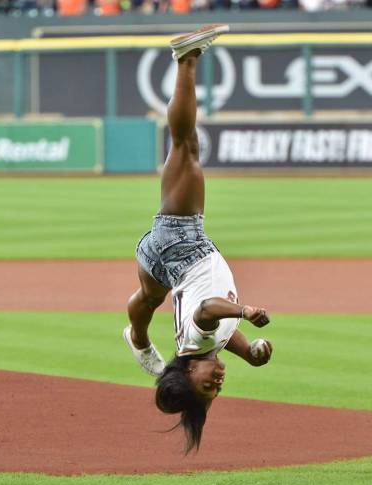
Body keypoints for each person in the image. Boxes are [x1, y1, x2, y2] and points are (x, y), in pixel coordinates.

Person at [123, 24, 273, 453]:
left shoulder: (199, 338)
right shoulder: (204, 347)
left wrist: (246, 310)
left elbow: (210, 311)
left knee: (185, 144)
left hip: (180, 240)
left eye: (207, 387)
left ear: (188, 373)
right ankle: (136, 335)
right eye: (216, 392)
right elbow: (223, 335)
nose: (217, 383)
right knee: (148, 299)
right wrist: (252, 353)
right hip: (161, 260)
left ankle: (186, 58)